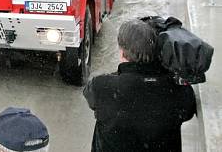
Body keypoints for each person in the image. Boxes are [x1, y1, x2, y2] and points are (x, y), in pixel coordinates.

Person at [83, 19, 196, 152]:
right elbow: (188, 110)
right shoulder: (177, 92)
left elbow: (89, 94)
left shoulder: (102, 87)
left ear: (122, 52)